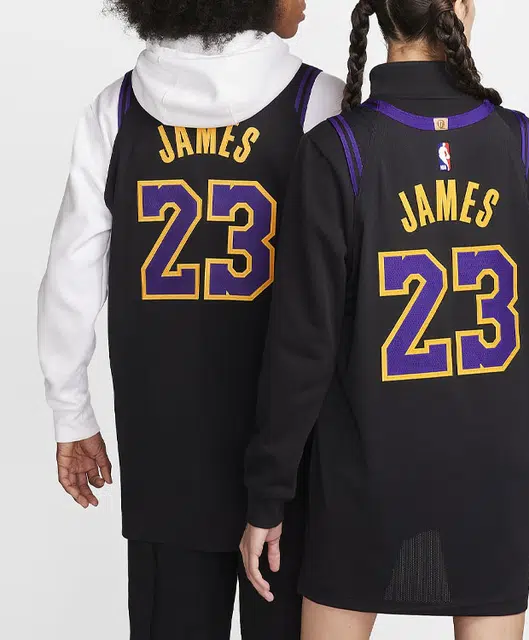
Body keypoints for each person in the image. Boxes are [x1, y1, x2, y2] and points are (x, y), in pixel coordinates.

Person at [240, 1, 529, 638]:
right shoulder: (520, 142)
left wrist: (267, 495)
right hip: (495, 470)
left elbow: (303, 349)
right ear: (459, 9)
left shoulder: (338, 147)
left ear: (379, 15)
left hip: (368, 470)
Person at [37, 1, 344, 638]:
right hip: (293, 455)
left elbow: (70, 274)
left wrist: (72, 412)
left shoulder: (117, 108)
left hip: (163, 450)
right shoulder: (320, 102)